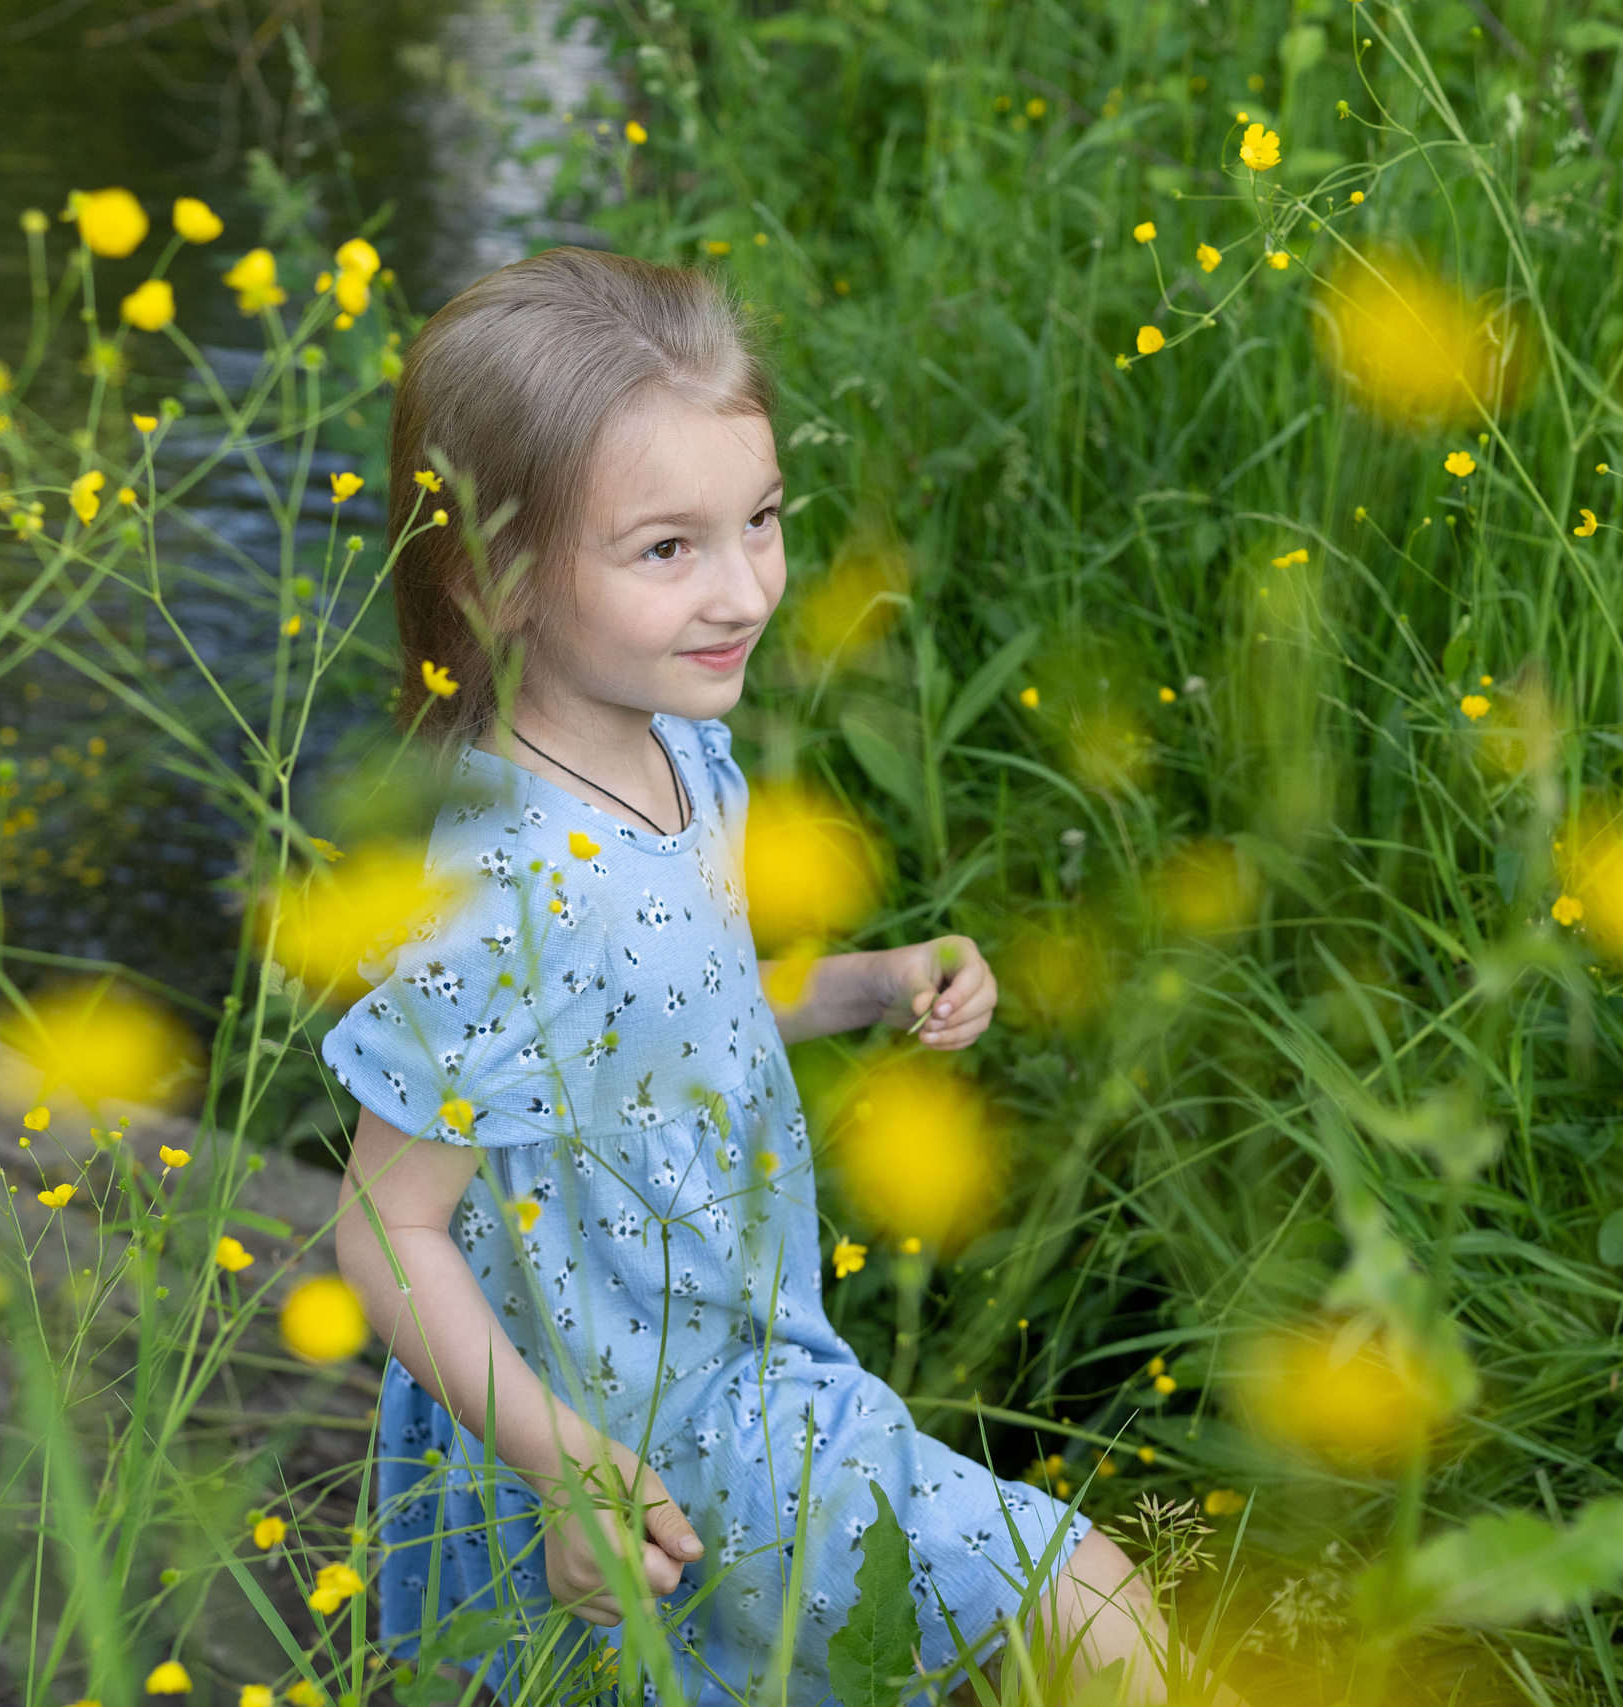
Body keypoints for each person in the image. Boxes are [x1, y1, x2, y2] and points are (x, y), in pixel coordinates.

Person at [324, 248, 1192, 1704]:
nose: (744, 591)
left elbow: (682, 995)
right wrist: (569, 1468)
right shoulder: (490, 893)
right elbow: (384, 1224)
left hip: (749, 1340)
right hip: (649, 1416)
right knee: (1088, 1604)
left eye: (764, 521)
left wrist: (869, 984)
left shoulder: (679, 755)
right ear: (499, 578)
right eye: (667, 549)